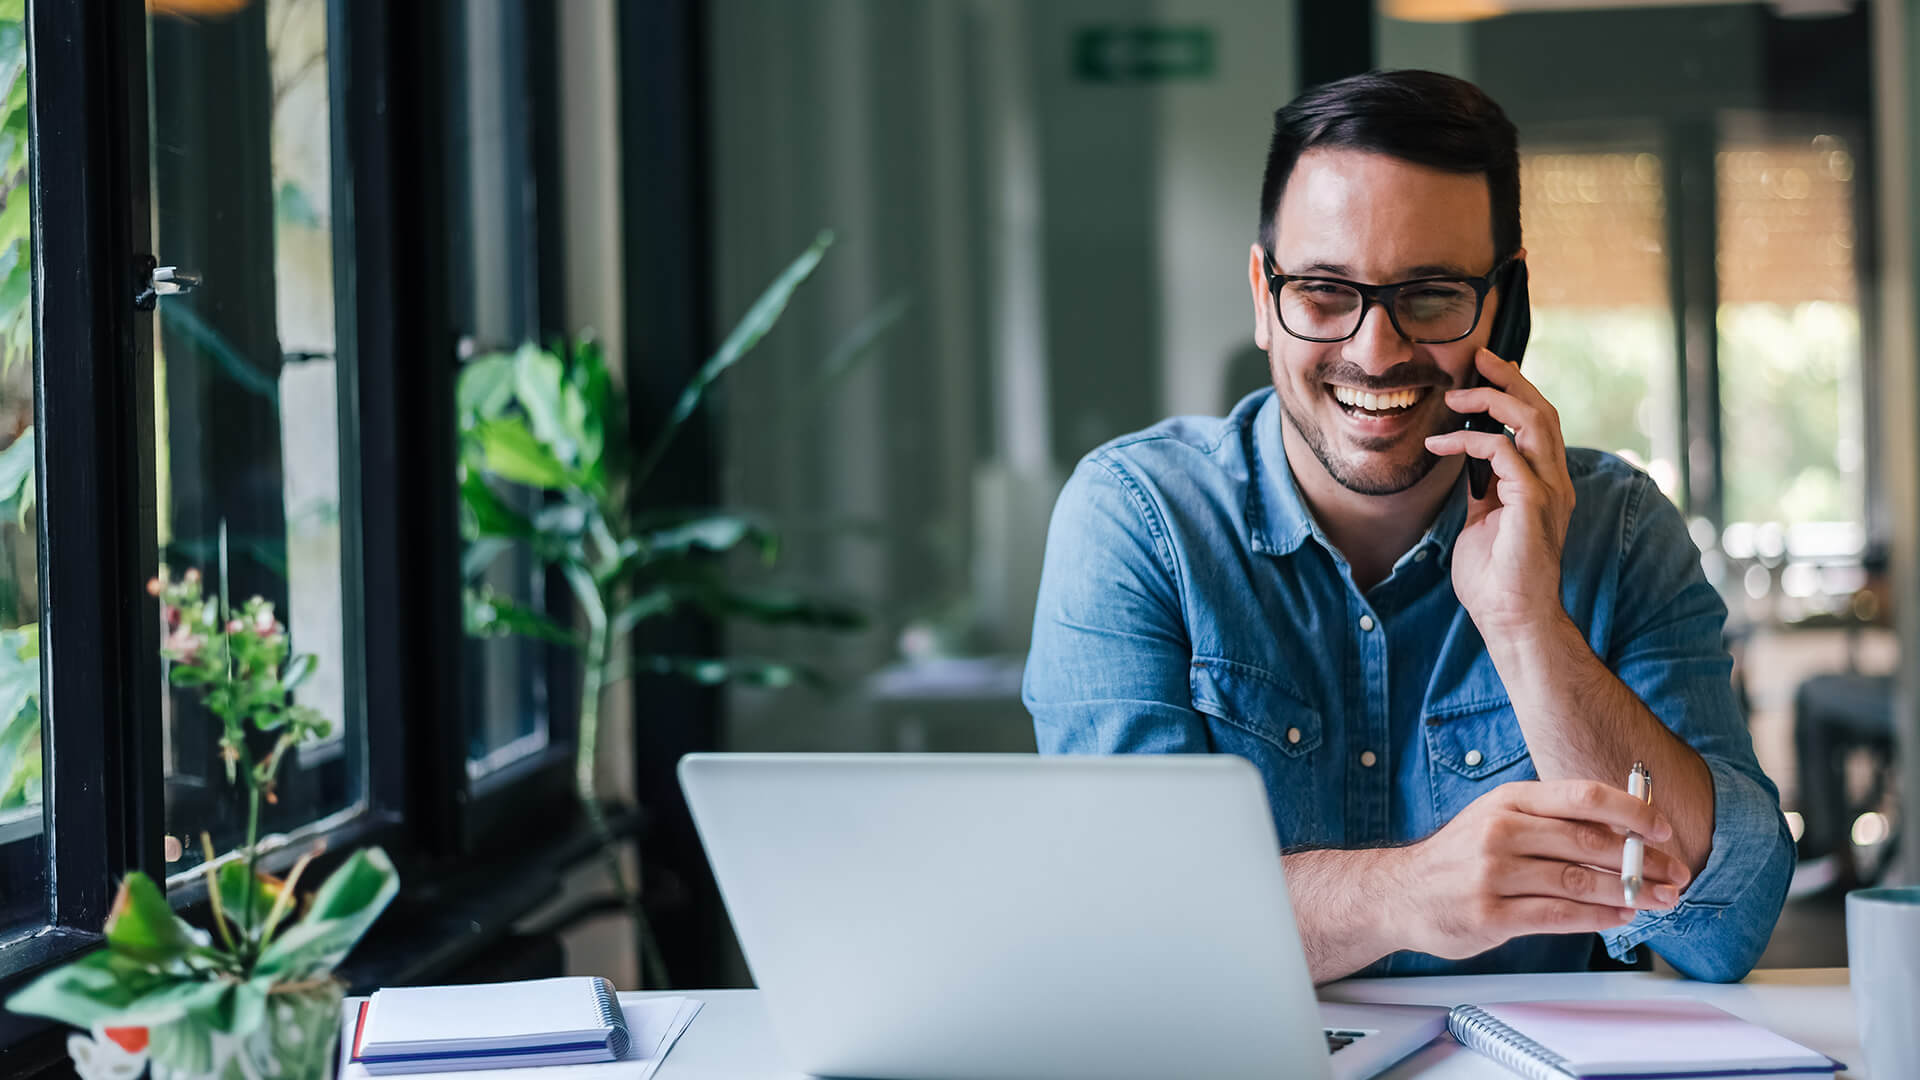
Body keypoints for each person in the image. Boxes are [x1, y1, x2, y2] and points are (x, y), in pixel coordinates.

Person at [1023, 70, 1792, 983]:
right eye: (1323, 292)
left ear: (1503, 306)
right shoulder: (1138, 520)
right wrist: (1411, 893)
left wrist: (1527, 628)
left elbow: (1726, 928)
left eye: (1430, 295)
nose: (1375, 350)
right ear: (1263, 296)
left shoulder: (1617, 530)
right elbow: (1124, 924)